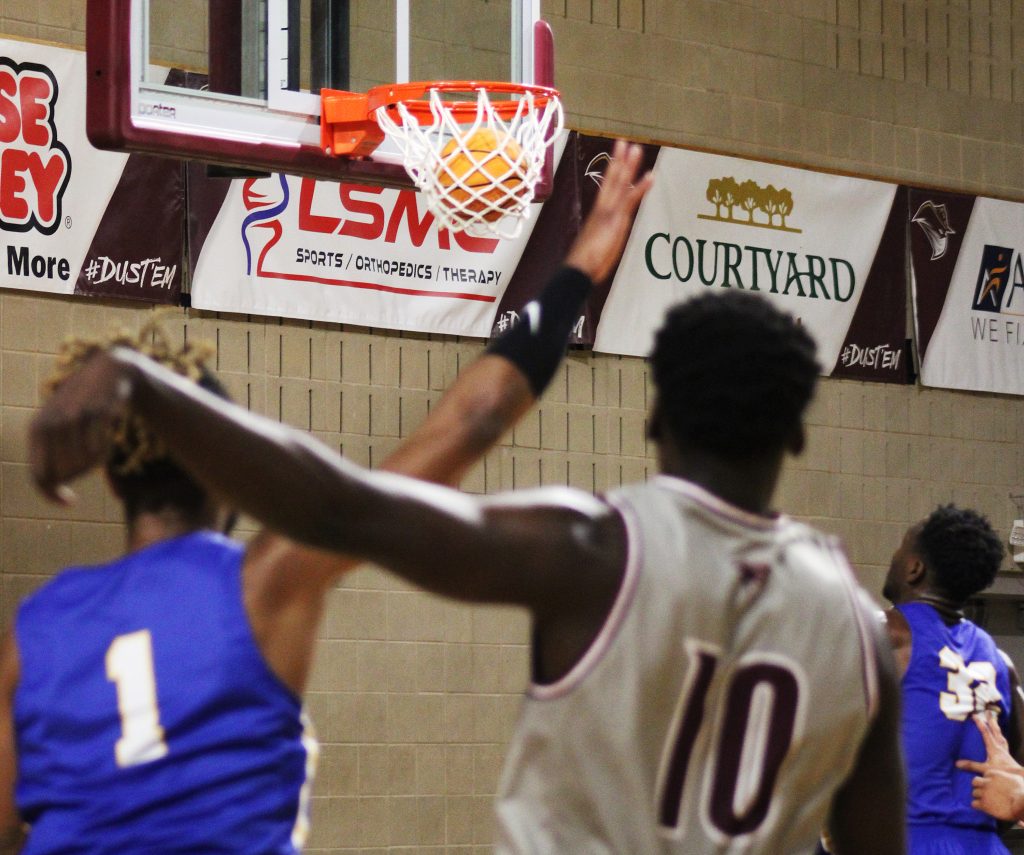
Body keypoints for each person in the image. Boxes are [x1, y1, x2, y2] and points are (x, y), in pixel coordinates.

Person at [30, 277, 906, 850]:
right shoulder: (865, 633)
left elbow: (343, 501)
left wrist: (137, 384)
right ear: (797, 429)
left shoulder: (592, 547)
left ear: (655, 418)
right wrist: (568, 286)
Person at [5, 139, 653, 853]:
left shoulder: (31, 637)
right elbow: (473, 420)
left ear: (113, 474)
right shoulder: (266, 580)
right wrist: (578, 270)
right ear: (233, 469)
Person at [882, 504, 1024, 855]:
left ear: (914, 568)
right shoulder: (1002, 663)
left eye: (901, 547)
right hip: (984, 844)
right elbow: (1015, 776)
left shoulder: (881, 634)